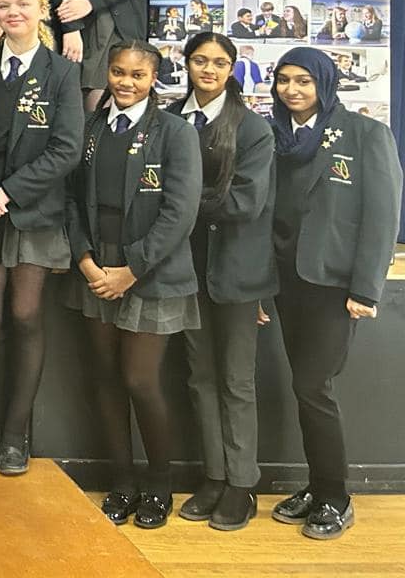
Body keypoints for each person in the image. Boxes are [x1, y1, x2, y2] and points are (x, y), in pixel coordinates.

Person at [266, 48, 402, 540]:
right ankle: (317, 484)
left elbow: (383, 216)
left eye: (303, 80)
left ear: (325, 83)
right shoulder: (275, 137)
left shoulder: (366, 134)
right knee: (306, 390)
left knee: (312, 388)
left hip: (334, 287)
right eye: (283, 80)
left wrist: (366, 288)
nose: (292, 90)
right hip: (286, 282)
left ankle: (335, 496)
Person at [67, 41, 201, 530]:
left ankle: (159, 485)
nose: (126, 83)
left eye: (137, 75)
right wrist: (84, 260)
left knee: (140, 381)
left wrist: (132, 269)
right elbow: (71, 200)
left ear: (154, 79)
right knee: (104, 381)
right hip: (96, 271)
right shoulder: (92, 129)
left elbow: (179, 212)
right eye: (119, 73)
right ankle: (122, 483)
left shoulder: (175, 132)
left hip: (151, 274)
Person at [0, 0, 81, 477]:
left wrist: (8, 193)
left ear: (44, 11)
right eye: (5, 5)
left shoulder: (60, 72)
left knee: (26, 317)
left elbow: (66, 149)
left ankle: (16, 435)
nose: (13, 12)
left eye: (23, 4)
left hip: (32, 214)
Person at [162, 31, 274, 532]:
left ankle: (242, 483)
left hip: (235, 271)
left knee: (236, 379)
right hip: (184, 268)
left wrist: (180, 208)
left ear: (232, 69)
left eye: (220, 63)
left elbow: (246, 202)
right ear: (185, 63)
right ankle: (214, 474)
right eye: (200, 60)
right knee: (199, 376)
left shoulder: (252, 128)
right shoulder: (169, 118)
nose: (209, 70)